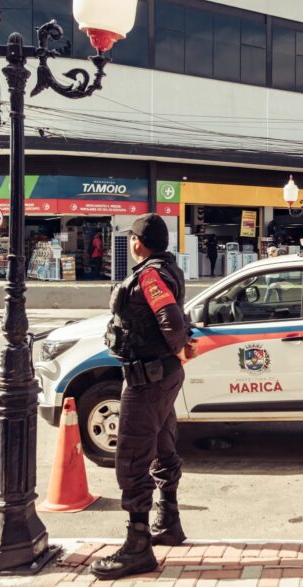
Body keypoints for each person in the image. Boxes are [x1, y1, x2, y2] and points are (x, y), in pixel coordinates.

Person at [92, 214, 195, 580]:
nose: (131, 242)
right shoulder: (167, 269)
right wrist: (178, 350)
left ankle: (138, 547)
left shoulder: (150, 275)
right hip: (163, 375)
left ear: (138, 241)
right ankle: (168, 520)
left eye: (132, 237)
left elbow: (169, 318)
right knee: (163, 446)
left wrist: (178, 346)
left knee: (132, 455)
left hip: (147, 378)